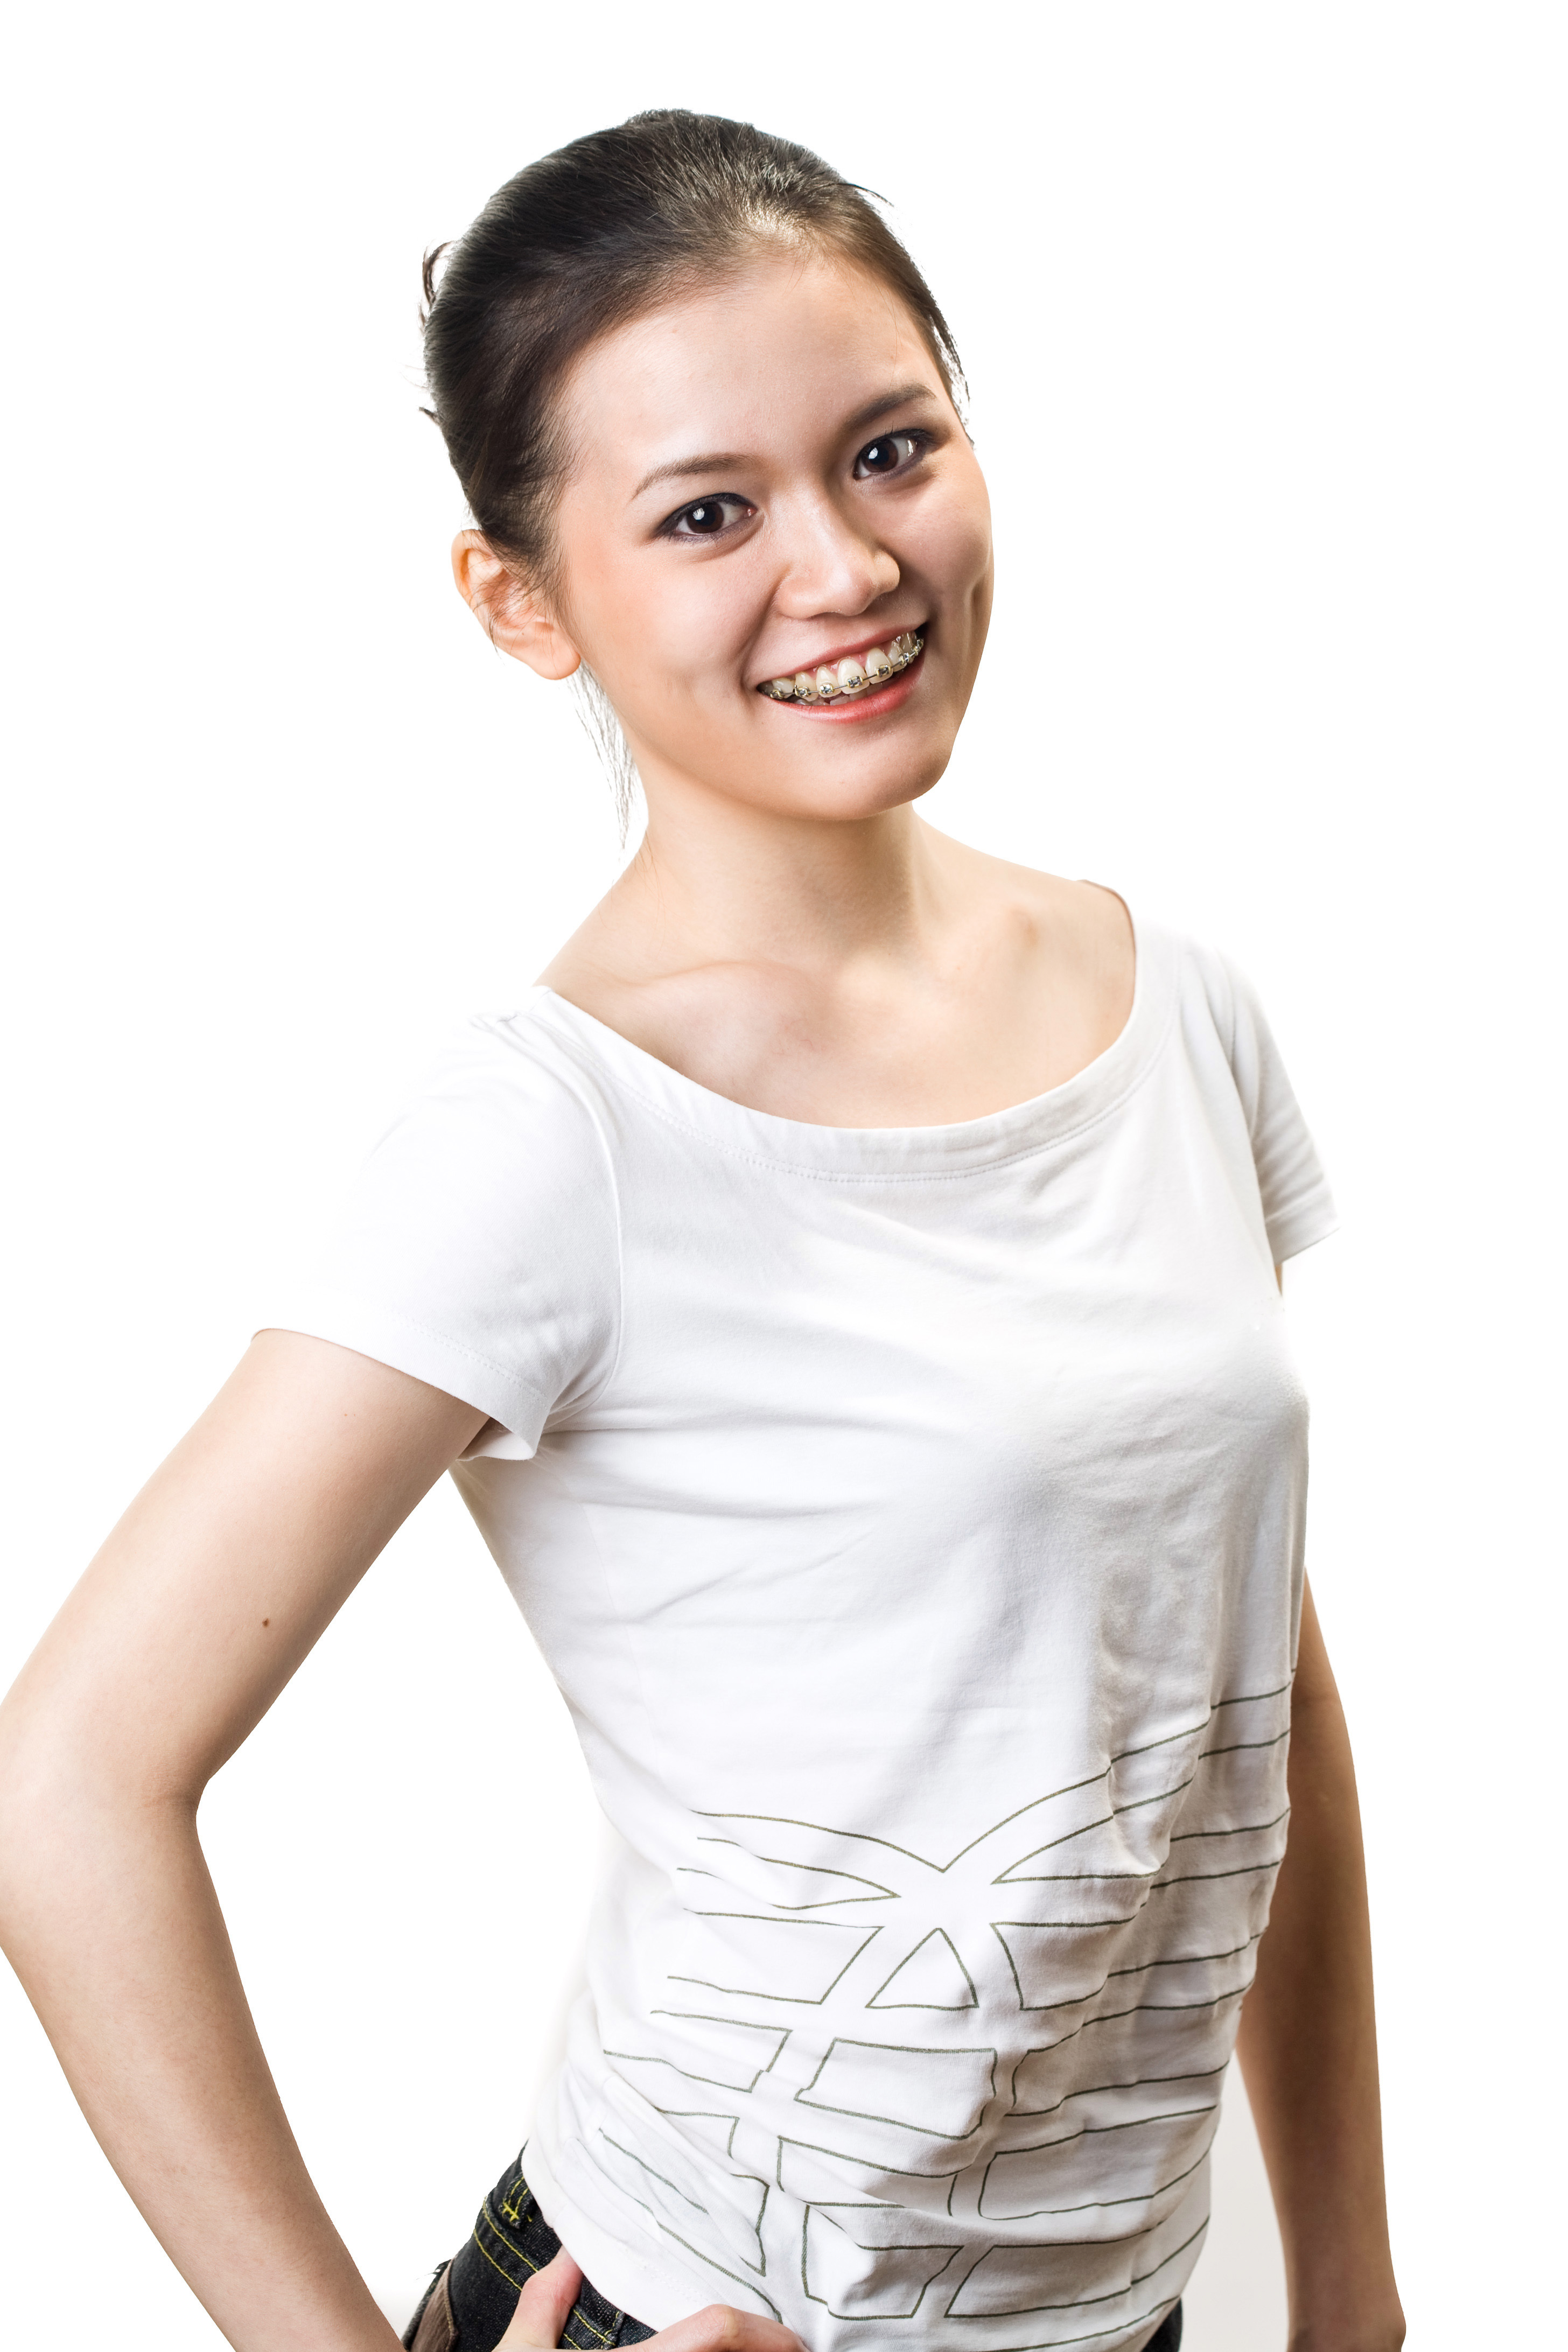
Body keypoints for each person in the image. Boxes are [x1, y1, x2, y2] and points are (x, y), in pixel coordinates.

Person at [0, 111, 1404, 2352]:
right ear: (523, 599)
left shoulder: (1174, 1007)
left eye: (887, 449)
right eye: (705, 515)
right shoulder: (557, 1132)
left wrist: (1346, 2283)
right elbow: (66, 1782)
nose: (842, 568)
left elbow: (1247, 1687)